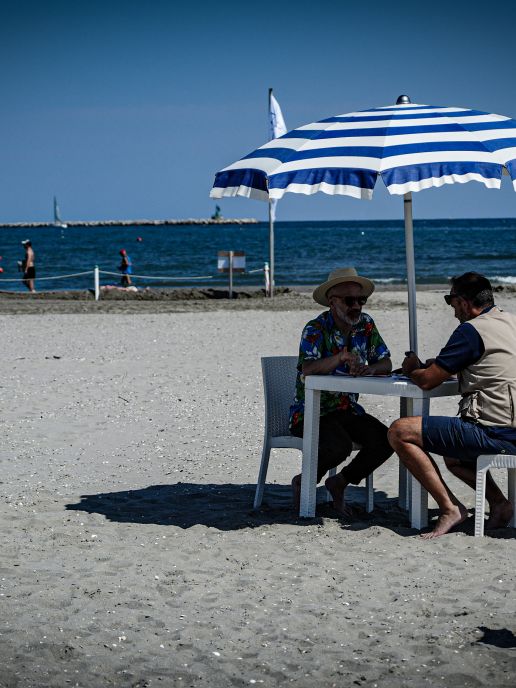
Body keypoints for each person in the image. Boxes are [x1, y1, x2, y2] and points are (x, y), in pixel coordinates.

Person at [388, 272, 516, 539]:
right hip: (512, 429)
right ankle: (500, 505)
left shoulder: (471, 331)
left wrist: (413, 368)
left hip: (495, 432)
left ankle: (450, 508)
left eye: (450, 301)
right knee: (454, 456)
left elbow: (427, 382)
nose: (452, 310)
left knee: (400, 431)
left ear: (463, 302)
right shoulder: (511, 322)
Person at [289, 267, 393, 515]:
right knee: (339, 446)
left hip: (346, 409)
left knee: (388, 439)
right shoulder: (315, 329)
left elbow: (386, 362)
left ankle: (340, 482)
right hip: (312, 412)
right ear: (332, 302)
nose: (356, 306)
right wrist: (339, 358)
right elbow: (308, 368)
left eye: (361, 300)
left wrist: (369, 370)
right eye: (349, 301)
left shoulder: (365, 325)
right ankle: (303, 482)